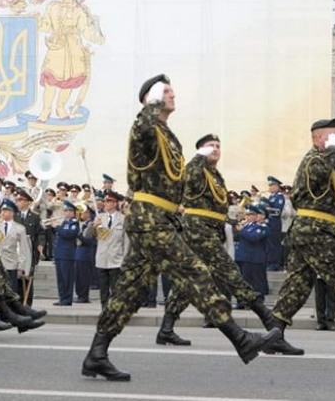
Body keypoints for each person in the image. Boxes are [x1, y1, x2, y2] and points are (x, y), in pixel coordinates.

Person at [81, 74, 281, 382]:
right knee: (195, 272)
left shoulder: (166, 134)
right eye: (165, 91)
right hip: (150, 221)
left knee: (128, 292)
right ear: (151, 98)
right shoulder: (144, 128)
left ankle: (96, 354)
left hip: (160, 219)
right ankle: (241, 339)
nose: (172, 95)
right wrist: (153, 101)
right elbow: (144, 125)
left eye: (171, 91)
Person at [156, 134, 277, 347]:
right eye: (210, 146)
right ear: (200, 150)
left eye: (218, 146)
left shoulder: (214, 174)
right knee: (229, 271)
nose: (215, 149)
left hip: (209, 230)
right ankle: (269, 320)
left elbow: (215, 206)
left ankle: (166, 329)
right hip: (197, 231)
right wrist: (199, 156)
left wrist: (229, 220)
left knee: (190, 282)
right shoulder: (197, 169)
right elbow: (188, 177)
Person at [269, 118, 335, 355]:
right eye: (333, 135)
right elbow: (318, 173)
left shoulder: (325, 160)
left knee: (298, 284)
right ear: (318, 138)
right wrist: (333, 151)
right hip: (313, 231)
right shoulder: (314, 160)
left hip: (313, 230)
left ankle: (274, 333)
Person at [85, 191, 127, 309]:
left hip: (116, 259)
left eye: (109, 201)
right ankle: (105, 309)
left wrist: (126, 259)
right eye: (105, 201)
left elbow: (127, 241)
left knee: (116, 289)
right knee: (103, 288)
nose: (105, 203)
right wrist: (93, 225)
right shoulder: (100, 217)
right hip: (102, 259)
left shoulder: (123, 219)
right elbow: (87, 235)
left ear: (115, 203)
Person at [14, 189, 46, 305]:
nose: (18, 202)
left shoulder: (34, 217)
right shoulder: (14, 216)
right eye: (17, 200)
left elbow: (41, 233)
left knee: (28, 278)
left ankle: (27, 304)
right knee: (15, 279)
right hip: (16, 252)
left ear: (27, 202)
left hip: (29, 251)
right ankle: (17, 304)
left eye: (21, 200)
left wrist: (40, 245)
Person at [235, 204, 270, 309]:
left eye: (251, 215)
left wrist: (242, 231)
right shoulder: (245, 226)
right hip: (243, 257)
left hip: (255, 258)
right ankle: (242, 301)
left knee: (256, 282)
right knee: (243, 281)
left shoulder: (262, 227)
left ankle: (257, 303)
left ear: (255, 216)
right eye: (248, 214)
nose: (248, 217)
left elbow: (254, 237)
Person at [0, 200, 31, 294]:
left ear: (12, 213)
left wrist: (22, 266)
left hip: (11, 262)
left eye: (6, 210)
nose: (3, 213)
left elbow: (23, 248)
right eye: (2, 210)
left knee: (11, 289)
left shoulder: (19, 228)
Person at [51, 200, 79, 306]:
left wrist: (56, 227)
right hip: (59, 253)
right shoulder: (65, 222)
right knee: (61, 278)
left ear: (72, 212)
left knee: (67, 278)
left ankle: (67, 299)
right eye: (65, 210)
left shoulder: (74, 223)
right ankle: (62, 298)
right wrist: (53, 227)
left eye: (68, 211)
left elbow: (68, 234)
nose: (65, 212)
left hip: (67, 255)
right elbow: (59, 234)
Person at [75, 203, 97, 303]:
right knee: (78, 277)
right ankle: (79, 294)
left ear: (88, 213)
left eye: (83, 212)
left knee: (84, 277)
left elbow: (89, 241)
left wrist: (78, 235)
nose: (81, 214)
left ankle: (84, 296)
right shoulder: (80, 224)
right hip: (77, 253)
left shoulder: (91, 225)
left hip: (85, 254)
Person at [265, 176, 285, 271]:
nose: (270, 187)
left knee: (274, 244)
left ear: (277, 186)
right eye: (269, 185)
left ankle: (275, 264)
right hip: (269, 223)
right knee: (269, 244)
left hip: (275, 224)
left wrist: (266, 209)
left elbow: (277, 211)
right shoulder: (271, 197)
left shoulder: (279, 197)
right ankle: (269, 262)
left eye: (272, 185)